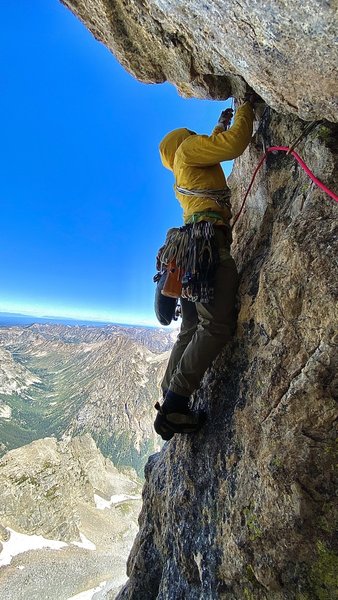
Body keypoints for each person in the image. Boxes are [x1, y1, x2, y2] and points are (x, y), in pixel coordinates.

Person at [154, 97, 256, 440]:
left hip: (191, 250)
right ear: (183, 138)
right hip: (209, 244)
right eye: (191, 133)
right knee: (216, 326)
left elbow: (212, 146)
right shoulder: (188, 151)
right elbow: (233, 146)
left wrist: (220, 124)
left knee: (191, 327)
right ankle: (174, 407)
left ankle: (169, 390)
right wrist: (246, 106)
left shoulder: (181, 168)